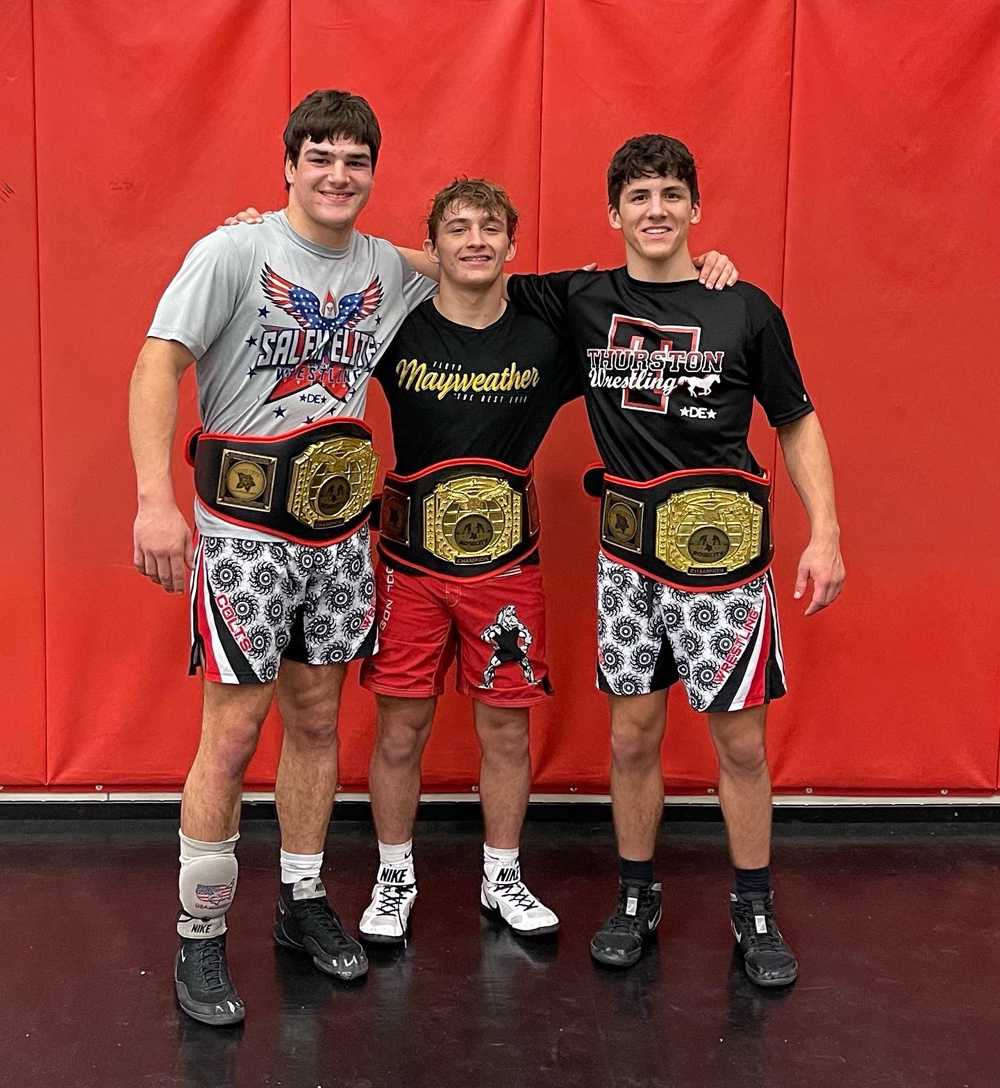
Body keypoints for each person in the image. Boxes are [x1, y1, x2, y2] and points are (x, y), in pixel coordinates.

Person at [505, 134, 845, 986]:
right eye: (638, 198)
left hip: (724, 564)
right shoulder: (583, 299)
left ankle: (755, 905)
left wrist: (827, 531)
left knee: (739, 747)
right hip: (629, 565)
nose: (654, 211)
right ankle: (633, 895)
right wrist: (313, 235)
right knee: (631, 739)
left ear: (695, 208)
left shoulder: (746, 308)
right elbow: (458, 266)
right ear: (612, 214)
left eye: (669, 196)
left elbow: (795, 419)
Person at [128, 89, 436, 1026]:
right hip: (246, 531)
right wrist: (153, 499)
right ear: (290, 166)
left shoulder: (388, 263)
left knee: (315, 722)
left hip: (342, 533)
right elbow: (156, 364)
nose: (338, 176)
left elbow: (481, 263)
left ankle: (301, 903)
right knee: (230, 734)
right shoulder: (235, 251)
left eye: (356, 162)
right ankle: (201, 935)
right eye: (321, 158)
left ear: (372, 174)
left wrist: (687, 264)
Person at [356, 178, 575, 943]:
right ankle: (392, 875)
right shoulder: (395, 327)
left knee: (508, 733)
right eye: (458, 228)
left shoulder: (549, 338)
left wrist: (707, 263)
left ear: (512, 246)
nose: (475, 239)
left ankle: (503, 875)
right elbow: (326, 275)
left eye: (490, 228)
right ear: (434, 245)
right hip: (409, 567)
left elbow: (647, 307)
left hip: (507, 570)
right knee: (398, 731)